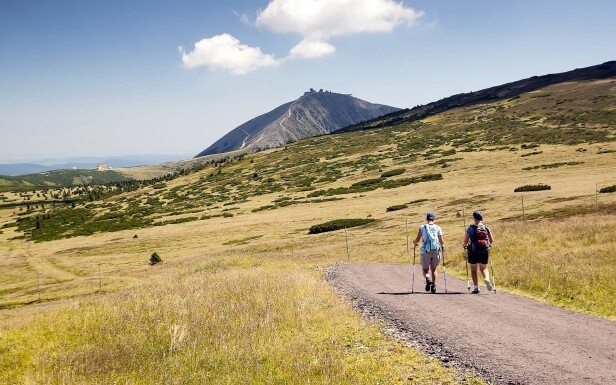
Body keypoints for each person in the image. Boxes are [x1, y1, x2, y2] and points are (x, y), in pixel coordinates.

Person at [463, 211, 494, 294]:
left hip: (473, 251)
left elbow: (465, 241)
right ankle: (486, 278)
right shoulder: (486, 228)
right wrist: (488, 245)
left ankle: (476, 287)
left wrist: (464, 246)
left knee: (473, 270)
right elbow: (492, 240)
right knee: (483, 268)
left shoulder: (471, 228)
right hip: (485, 250)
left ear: (475, 218)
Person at [413, 212, 445, 293]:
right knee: (434, 269)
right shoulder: (438, 227)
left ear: (427, 219)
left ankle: (427, 278)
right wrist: (442, 246)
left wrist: (415, 243)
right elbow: (442, 241)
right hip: (436, 250)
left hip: (425, 251)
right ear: (433, 219)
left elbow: (417, 239)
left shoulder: (422, 227)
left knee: (425, 269)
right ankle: (433, 285)